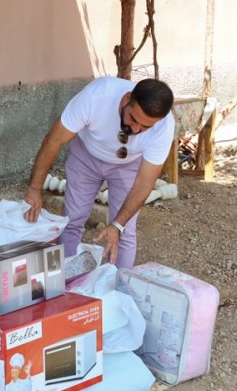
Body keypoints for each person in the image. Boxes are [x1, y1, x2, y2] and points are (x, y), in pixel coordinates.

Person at [23, 77, 175, 269]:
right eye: (133, 119)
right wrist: (35, 189)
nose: (136, 129)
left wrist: (117, 224)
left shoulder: (164, 126)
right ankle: (66, 280)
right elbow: (54, 140)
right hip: (86, 155)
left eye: (146, 127)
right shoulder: (97, 96)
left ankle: (119, 284)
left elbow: (145, 182)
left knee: (125, 232)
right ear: (127, 99)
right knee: (72, 221)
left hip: (128, 164)